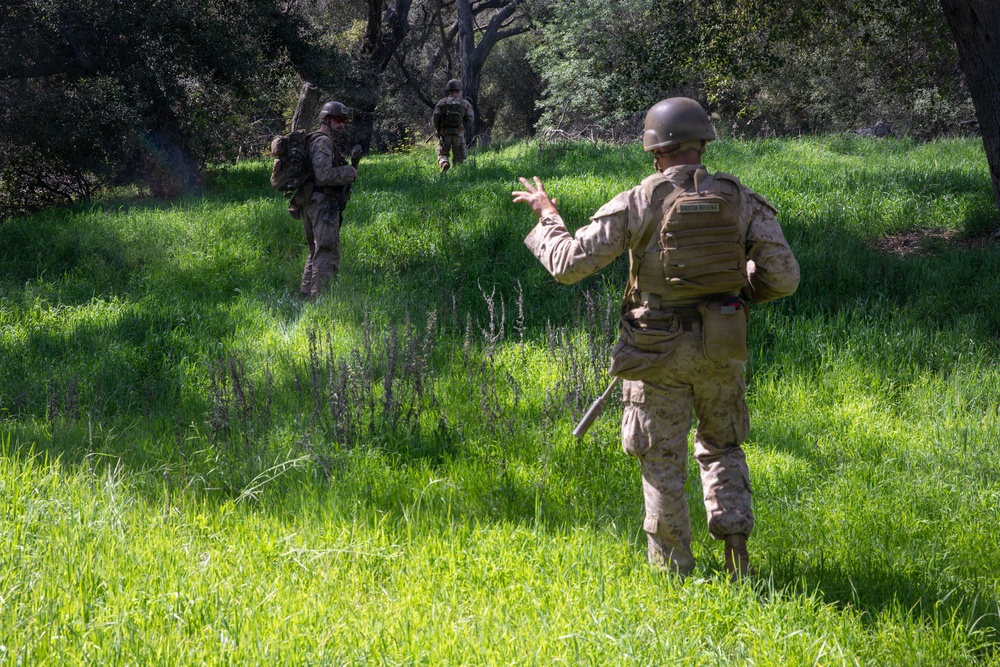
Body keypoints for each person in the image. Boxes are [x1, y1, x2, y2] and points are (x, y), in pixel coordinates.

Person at [512, 97, 800, 579]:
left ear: (654, 150)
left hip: (655, 351)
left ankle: (673, 573)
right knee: (723, 446)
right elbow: (785, 277)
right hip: (721, 347)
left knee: (662, 459)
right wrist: (740, 293)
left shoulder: (638, 200)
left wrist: (547, 215)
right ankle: (736, 553)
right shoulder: (740, 198)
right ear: (702, 144)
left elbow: (568, 265)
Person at [294, 100, 359, 299]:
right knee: (327, 250)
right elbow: (324, 175)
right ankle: (320, 299)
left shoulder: (315, 139)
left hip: (312, 201)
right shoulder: (322, 141)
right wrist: (349, 171)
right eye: (338, 120)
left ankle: (305, 293)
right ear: (326, 119)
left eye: (344, 121)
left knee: (316, 249)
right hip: (322, 204)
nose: (342, 124)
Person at [432, 79, 475, 173]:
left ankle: (444, 163)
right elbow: (470, 118)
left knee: (443, 154)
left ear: (448, 90)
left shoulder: (442, 102)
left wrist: (438, 129)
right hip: (458, 134)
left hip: (445, 134)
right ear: (459, 90)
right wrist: (463, 125)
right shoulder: (464, 103)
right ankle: (457, 176)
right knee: (459, 157)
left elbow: (435, 118)